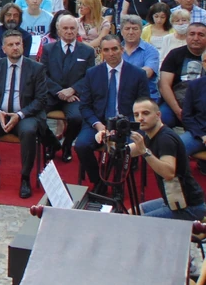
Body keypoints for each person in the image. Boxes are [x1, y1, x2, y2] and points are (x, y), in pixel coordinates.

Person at [0, 30, 49, 198]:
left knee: (29, 131)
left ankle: (25, 177)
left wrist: (21, 115)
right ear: (3, 48)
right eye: (11, 45)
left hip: (25, 115)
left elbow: (41, 99)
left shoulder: (36, 68)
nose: (15, 48)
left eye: (18, 44)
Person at [72, 35, 150, 189]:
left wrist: (125, 126)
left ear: (122, 49)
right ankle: (98, 181)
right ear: (101, 53)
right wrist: (99, 126)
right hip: (99, 122)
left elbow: (144, 105)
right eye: (106, 50)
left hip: (126, 124)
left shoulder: (138, 74)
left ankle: (117, 185)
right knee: (81, 145)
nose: (111, 53)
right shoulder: (92, 73)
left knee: (124, 149)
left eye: (114, 49)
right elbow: (85, 106)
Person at [128, 98, 206, 220]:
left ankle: (193, 231)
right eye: (136, 115)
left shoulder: (165, 139)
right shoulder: (151, 134)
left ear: (158, 115)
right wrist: (107, 139)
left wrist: (144, 151)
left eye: (146, 113)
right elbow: (127, 151)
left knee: (137, 222)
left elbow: (168, 173)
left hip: (188, 206)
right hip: (172, 201)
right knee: (131, 212)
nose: (140, 118)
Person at [39, 14, 93, 162]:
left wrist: (72, 90)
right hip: (51, 93)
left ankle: (67, 145)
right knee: (36, 115)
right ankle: (52, 143)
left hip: (74, 95)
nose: (69, 31)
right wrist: (59, 91)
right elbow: (42, 74)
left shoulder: (87, 51)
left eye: (72, 28)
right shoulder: (48, 49)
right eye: (65, 28)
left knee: (77, 118)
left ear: (77, 30)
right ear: (58, 30)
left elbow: (89, 76)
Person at [158, 22, 206, 128]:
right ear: (186, 36)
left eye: (201, 35)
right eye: (192, 34)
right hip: (176, 102)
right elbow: (164, 85)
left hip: (202, 105)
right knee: (162, 118)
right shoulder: (175, 54)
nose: (196, 38)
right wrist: (178, 110)